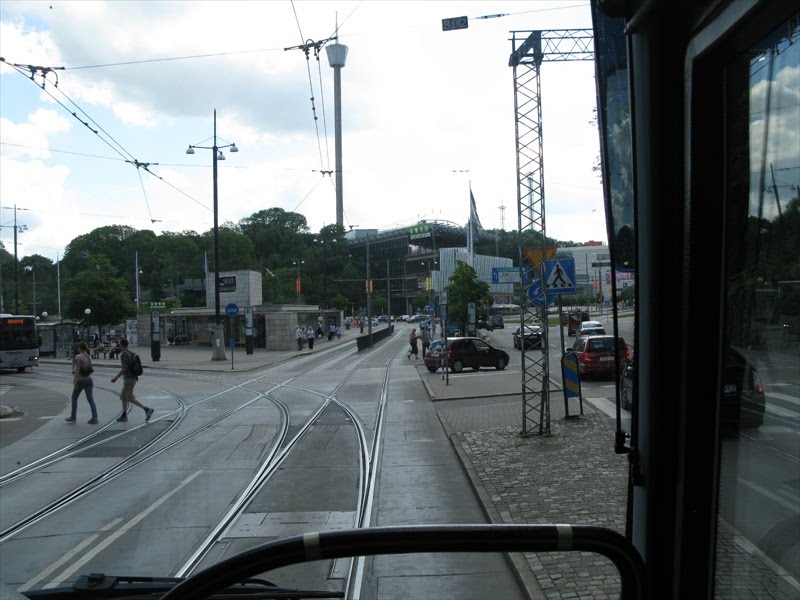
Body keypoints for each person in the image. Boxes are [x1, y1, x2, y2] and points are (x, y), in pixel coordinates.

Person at [111, 339, 154, 423]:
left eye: (119, 345)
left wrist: (116, 377)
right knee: (123, 397)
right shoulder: (130, 352)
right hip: (132, 378)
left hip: (129, 379)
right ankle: (124, 415)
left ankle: (147, 409)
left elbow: (125, 367)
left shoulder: (124, 354)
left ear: (122, 345)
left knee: (130, 398)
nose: (119, 347)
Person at [66, 341, 99, 424]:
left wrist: (75, 380)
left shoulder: (78, 357)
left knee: (74, 398)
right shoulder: (88, 356)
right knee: (91, 400)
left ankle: (73, 417)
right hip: (89, 380)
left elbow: (77, 370)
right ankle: (95, 417)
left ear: (79, 348)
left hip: (81, 380)